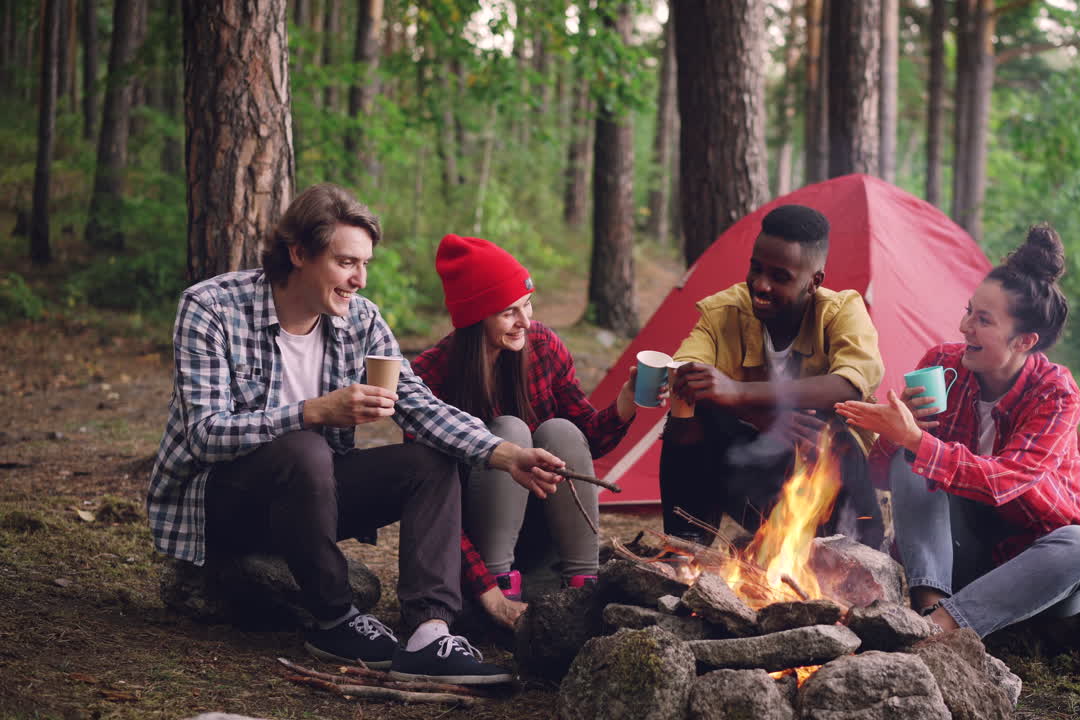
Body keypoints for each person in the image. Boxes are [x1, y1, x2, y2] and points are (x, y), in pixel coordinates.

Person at [146, 184, 566, 684]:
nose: (360, 280)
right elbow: (205, 435)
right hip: (224, 505)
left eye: (365, 264)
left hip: (310, 500)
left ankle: (430, 633)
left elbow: (418, 405)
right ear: (299, 253)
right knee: (304, 446)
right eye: (347, 262)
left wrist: (504, 453)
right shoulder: (212, 307)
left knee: (429, 461)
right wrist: (314, 411)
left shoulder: (359, 320)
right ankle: (334, 618)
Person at [835, 223, 1080, 638]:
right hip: (960, 555)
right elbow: (885, 477)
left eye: (982, 320)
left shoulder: (1056, 395)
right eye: (968, 311)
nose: (964, 327)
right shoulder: (943, 366)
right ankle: (927, 612)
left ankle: (944, 628)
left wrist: (915, 439)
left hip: (1038, 564)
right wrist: (895, 435)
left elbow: (1004, 481)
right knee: (913, 460)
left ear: (1023, 341)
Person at [413, 233, 647, 600]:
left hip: (540, 537)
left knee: (560, 430)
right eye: (509, 312)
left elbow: (586, 441)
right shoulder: (430, 375)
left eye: (527, 304)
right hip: (471, 553)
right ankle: (501, 590)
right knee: (509, 431)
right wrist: (484, 586)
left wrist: (626, 403)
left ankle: (583, 584)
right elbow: (428, 501)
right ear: (475, 319)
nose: (525, 320)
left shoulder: (542, 346)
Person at [661, 204, 886, 548]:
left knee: (831, 427)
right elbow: (684, 376)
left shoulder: (841, 311)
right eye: (756, 268)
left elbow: (849, 385)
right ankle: (685, 548)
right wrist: (758, 415)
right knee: (692, 414)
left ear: (814, 282)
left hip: (831, 492)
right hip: (754, 479)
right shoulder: (724, 311)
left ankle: (853, 554)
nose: (760, 285)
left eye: (780, 277)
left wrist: (738, 392)